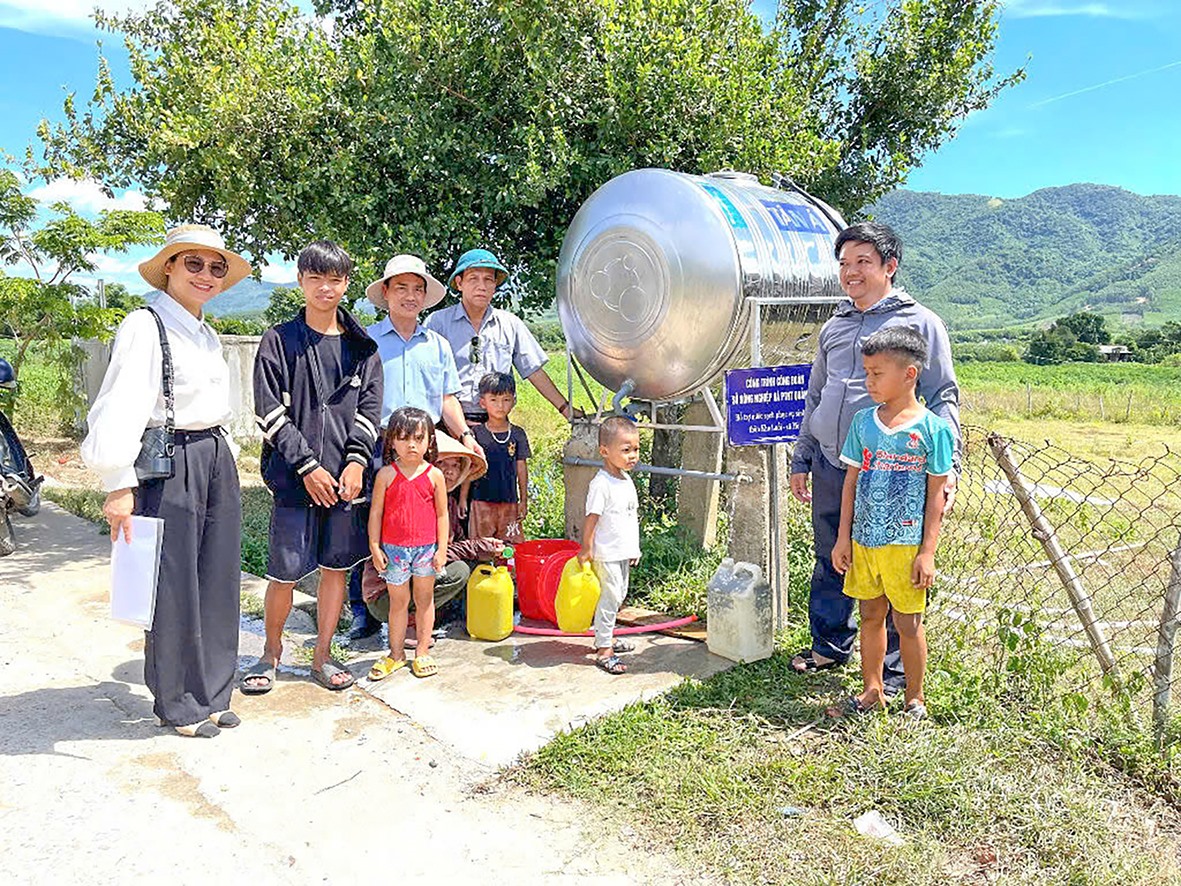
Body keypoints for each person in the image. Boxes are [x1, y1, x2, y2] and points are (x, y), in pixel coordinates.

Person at [81, 224, 252, 738]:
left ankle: (213, 691)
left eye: (215, 267)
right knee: (173, 586)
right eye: (193, 264)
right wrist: (117, 482)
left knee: (218, 579)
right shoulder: (145, 324)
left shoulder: (205, 331)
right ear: (170, 268)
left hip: (213, 454)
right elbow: (121, 404)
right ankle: (178, 704)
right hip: (168, 459)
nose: (205, 275)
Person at [790, 221, 961, 695]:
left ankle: (894, 672)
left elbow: (942, 395)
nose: (851, 272)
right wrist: (802, 455)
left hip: (894, 473)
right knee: (832, 554)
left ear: (890, 266)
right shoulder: (835, 325)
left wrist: (950, 471)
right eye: (844, 263)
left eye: (863, 261)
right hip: (832, 460)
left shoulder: (920, 323)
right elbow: (816, 394)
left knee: (893, 564)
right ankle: (829, 644)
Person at [242, 240, 382, 694]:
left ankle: (322, 656)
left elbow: (368, 411)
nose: (326, 288)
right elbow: (269, 413)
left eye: (336, 279)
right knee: (283, 572)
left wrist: (357, 463)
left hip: (344, 482)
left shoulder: (363, 348)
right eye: (316, 278)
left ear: (347, 284)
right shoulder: (278, 342)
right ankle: (271, 653)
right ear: (301, 280)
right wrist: (306, 466)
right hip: (293, 481)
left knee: (335, 569)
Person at [346, 254, 484, 640]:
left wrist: (467, 436)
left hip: (425, 446)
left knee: (420, 525)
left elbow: (446, 400)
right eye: (401, 288)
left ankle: (417, 608)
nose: (410, 296)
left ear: (425, 297)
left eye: (417, 289)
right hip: (377, 443)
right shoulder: (366, 341)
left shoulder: (437, 345)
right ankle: (364, 610)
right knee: (368, 522)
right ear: (386, 293)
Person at [830, 327, 953, 720]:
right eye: (866, 373)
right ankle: (872, 689)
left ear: (909, 375)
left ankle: (914, 697)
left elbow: (937, 495)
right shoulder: (864, 423)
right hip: (865, 541)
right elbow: (851, 482)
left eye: (877, 373)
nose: (869, 382)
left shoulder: (934, 430)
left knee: (909, 622)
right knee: (869, 615)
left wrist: (927, 552)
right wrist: (842, 538)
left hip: (906, 544)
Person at [423, 247, 576, 423]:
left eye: (488, 279)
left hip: (496, 424)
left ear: (495, 286)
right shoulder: (437, 323)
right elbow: (426, 378)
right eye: (473, 278)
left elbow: (534, 371)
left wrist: (566, 409)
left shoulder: (510, 324)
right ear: (459, 283)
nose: (481, 286)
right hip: (449, 422)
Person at [363, 434, 500, 627]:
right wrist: (475, 546)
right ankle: (411, 623)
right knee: (459, 570)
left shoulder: (449, 504)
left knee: (471, 563)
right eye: (443, 464)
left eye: (455, 466)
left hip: (417, 580)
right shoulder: (407, 498)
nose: (450, 472)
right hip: (386, 594)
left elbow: (454, 544)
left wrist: (482, 547)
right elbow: (426, 552)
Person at [366, 407, 449, 680]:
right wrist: (375, 546)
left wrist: (442, 550)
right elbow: (376, 513)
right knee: (398, 602)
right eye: (403, 438)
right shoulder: (386, 475)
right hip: (394, 551)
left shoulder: (435, 475)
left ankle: (422, 652)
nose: (411, 444)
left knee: (424, 600)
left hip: (426, 550)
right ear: (391, 440)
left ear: (430, 441)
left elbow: (441, 514)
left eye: (418, 438)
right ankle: (396, 654)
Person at [577, 416, 642, 676]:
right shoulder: (601, 484)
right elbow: (592, 518)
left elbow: (628, 518)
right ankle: (604, 649)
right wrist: (586, 548)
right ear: (605, 451)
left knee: (619, 595)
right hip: (606, 553)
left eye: (636, 449)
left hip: (622, 553)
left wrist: (633, 550)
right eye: (626, 450)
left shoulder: (626, 480)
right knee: (610, 597)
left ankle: (608, 636)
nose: (632, 456)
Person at [460, 372, 530, 545]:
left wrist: (524, 500)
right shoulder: (476, 434)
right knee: (482, 547)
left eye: (506, 400)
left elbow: (522, 468)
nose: (500, 406)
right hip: (481, 502)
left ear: (513, 401)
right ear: (482, 402)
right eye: (494, 400)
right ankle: (483, 572)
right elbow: (470, 467)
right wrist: (463, 498)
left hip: (510, 503)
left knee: (510, 547)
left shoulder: (517, 434)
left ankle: (508, 572)